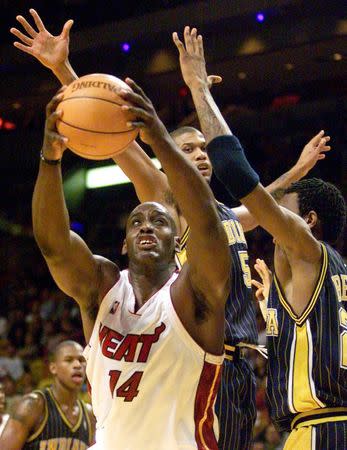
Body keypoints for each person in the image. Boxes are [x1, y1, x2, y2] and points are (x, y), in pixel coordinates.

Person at [11, 11, 333, 450]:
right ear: (169, 159)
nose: (201, 156)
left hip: (239, 366)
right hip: (195, 356)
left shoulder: (224, 216)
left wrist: (297, 170)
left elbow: (259, 204)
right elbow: (112, 134)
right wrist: (64, 73)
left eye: (203, 149)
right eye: (188, 149)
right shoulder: (169, 204)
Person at [31, 68, 230, 450]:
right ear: (124, 244)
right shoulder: (103, 285)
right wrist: (50, 158)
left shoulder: (194, 292)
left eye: (160, 221)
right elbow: (53, 245)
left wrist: (157, 137)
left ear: (177, 242)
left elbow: (206, 224)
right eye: (136, 221)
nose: (146, 226)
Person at [177, 26, 347, 450]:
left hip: (320, 430)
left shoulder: (307, 248)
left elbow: (238, 175)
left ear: (307, 221)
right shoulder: (329, 277)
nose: (272, 220)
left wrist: (199, 90)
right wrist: (272, 306)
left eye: (283, 210)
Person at [0, 340, 95, 449]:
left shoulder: (89, 415)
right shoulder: (33, 405)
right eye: (69, 360)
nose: (77, 365)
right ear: (53, 368)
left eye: (81, 360)